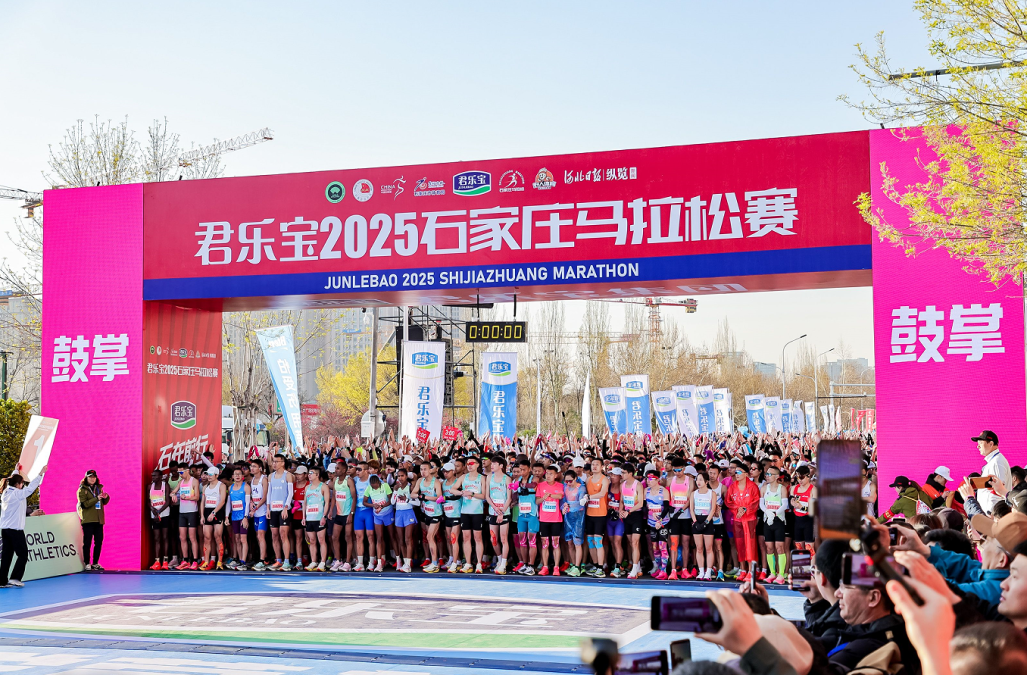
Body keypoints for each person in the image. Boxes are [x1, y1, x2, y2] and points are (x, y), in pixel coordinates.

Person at [0, 466, 47, 588]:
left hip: (5, 529)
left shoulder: (6, 492)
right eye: (22, 484)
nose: (23, 486)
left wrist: (16, 470)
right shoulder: (17, 494)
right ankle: (15, 578)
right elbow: (31, 488)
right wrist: (40, 474)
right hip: (15, 530)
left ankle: (2, 581)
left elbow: (14, 480)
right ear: (18, 484)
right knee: (23, 554)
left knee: (7, 556)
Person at [725, 462, 760, 583]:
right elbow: (728, 501)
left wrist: (745, 509)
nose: (737, 474)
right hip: (737, 519)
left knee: (750, 545)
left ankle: (751, 570)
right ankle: (743, 569)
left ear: (746, 474)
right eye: (736, 472)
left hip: (749, 520)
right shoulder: (732, 487)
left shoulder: (753, 487)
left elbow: (756, 502)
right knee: (739, 545)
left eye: (739, 472)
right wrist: (737, 509)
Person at [760, 465, 789, 584]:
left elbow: (785, 505)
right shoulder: (763, 488)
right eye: (766, 474)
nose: (767, 476)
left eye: (769, 474)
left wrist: (775, 513)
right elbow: (761, 504)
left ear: (777, 476)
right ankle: (772, 573)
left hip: (779, 520)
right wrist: (767, 512)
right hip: (768, 520)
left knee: (780, 547)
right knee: (769, 547)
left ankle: (781, 574)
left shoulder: (782, 489)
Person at [76, 469, 110, 571]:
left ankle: (95, 563)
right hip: (88, 520)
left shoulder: (99, 488)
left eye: (94, 477)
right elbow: (84, 505)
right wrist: (96, 498)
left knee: (98, 542)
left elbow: (104, 502)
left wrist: (106, 497)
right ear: (86, 478)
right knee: (87, 542)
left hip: (99, 519)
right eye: (90, 477)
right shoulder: (82, 490)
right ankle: (87, 563)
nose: (92, 479)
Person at [457, 456, 485, 573]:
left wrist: (471, 494)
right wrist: (462, 492)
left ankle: (479, 563)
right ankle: (468, 563)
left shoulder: (482, 478)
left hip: (477, 512)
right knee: (466, 538)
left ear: (477, 465)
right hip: (465, 511)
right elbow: (453, 490)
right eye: (467, 463)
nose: (469, 465)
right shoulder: (463, 477)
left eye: (472, 463)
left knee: (478, 538)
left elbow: (484, 496)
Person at [265, 454, 293, 571]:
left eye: (277, 461)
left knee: (283, 534)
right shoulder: (271, 476)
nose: (274, 464)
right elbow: (269, 493)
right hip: (273, 509)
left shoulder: (288, 475)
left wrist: (286, 507)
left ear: (283, 463)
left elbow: (290, 493)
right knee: (274, 535)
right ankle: (278, 560)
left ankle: (287, 561)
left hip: (283, 509)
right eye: (273, 461)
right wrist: (268, 508)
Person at [484, 454, 512, 575]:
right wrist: (495, 508)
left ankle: (504, 564)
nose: (492, 465)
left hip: (504, 512)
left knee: (503, 538)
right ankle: (500, 560)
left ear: (501, 466)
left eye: (495, 464)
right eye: (492, 463)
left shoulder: (507, 479)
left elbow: (509, 498)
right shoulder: (489, 477)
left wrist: (502, 512)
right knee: (493, 538)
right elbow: (487, 496)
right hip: (493, 511)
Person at [536, 464, 565, 576]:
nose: (548, 476)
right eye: (547, 474)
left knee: (555, 543)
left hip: (556, 520)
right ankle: (545, 566)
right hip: (543, 519)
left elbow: (560, 496)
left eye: (551, 474)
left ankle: (556, 567)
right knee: (545, 543)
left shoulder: (560, 485)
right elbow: (537, 501)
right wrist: (543, 498)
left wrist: (550, 495)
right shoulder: (540, 485)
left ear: (556, 475)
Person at [973, 430, 1011, 515]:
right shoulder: (995, 461)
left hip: (993, 514)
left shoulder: (997, 462)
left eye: (980, 443)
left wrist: (991, 513)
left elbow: (997, 491)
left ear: (991, 444)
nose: (978, 446)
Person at [172, 463, 201, 570]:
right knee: (182, 537)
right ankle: (185, 560)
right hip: (182, 512)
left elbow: (197, 497)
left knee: (192, 537)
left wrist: (186, 497)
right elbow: (173, 492)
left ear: (187, 471)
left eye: (181, 472)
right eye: (178, 472)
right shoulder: (181, 482)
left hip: (192, 511)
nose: (180, 474)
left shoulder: (194, 481)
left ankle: (195, 560)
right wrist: (173, 495)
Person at [690, 470, 719, 580]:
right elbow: (691, 509)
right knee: (699, 548)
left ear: (706, 482)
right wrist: (695, 522)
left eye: (701, 480)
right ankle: (701, 571)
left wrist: (706, 522)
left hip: (707, 521)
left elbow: (713, 509)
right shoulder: (694, 494)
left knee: (709, 548)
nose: (698, 482)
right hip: (697, 520)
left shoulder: (712, 493)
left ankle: (708, 571)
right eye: (697, 480)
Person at [584, 458, 609, 578]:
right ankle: (595, 564)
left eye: (597, 464)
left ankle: (600, 567)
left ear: (601, 466)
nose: (594, 466)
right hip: (590, 513)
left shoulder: (605, 479)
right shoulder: (588, 479)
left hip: (600, 514)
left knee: (598, 540)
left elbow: (602, 493)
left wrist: (589, 497)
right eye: (593, 464)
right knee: (590, 540)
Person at [329, 462, 356, 572]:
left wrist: (351, 513)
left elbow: (354, 497)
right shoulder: (335, 480)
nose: (336, 470)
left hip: (347, 513)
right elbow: (334, 497)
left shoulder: (348, 481)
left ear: (344, 470)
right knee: (334, 537)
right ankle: (338, 560)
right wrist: (331, 510)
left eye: (338, 468)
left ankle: (348, 562)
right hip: (339, 514)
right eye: (335, 468)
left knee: (348, 537)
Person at [364, 471, 393, 573]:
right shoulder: (369, 488)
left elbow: (391, 500)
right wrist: (373, 505)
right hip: (377, 516)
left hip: (388, 513)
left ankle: (397, 560)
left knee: (392, 536)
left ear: (378, 483)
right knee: (379, 538)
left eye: (375, 486)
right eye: (372, 486)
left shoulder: (385, 486)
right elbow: (364, 502)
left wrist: (382, 506)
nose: (374, 488)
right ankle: (380, 562)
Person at [302, 466, 330, 571]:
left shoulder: (324, 487)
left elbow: (327, 502)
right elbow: (304, 503)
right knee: (312, 541)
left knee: (321, 540)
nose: (309, 475)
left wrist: (324, 516)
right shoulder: (307, 488)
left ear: (317, 475)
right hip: (309, 517)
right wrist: (303, 517)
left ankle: (322, 562)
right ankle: (313, 561)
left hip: (319, 517)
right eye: (308, 473)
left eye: (311, 473)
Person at [390, 467, 417, 573]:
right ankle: (405, 563)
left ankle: (408, 564)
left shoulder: (411, 487)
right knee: (401, 540)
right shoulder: (396, 487)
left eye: (402, 476)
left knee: (408, 539)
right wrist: (395, 491)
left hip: (408, 512)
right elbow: (392, 502)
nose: (400, 478)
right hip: (398, 513)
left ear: (406, 476)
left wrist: (407, 499)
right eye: (399, 476)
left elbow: (418, 502)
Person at [200, 466, 227, 570]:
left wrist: (214, 513)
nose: (209, 476)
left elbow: (222, 501)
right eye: (208, 474)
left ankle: (219, 562)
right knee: (206, 538)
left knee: (218, 537)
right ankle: (206, 561)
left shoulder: (221, 485)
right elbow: (203, 502)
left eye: (211, 475)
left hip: (217, 511)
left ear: (216, 475)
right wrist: (202, 515)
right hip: (207, 511)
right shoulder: (205, 487)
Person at [563, 468, 587, 576]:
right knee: (569, 542)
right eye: (566, 481)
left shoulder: (581, 488)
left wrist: (569, 505)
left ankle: (577, 566)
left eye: (570, 481)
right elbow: (562, 501)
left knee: (577, 542)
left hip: (578, 516)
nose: (568, 483)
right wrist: (563, 507)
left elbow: (581, 502)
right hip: (568, 516)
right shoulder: (565, 487)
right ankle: (573, 565)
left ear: (575, 478)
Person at [226, 467, 251, 570]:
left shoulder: (246, 487)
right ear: (232, 476)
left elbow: (248, 503)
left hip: (243, 516)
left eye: (239, 474)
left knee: (243, 539)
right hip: (234, 517)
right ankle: (240, 560)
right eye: (235, 474)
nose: (237, 476)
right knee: (236, 539)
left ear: (242, 476)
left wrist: (246, 517)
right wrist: (226, 516)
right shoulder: (230, 488)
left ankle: (243, 562)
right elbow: (229, 503)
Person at [148, 469, 171, 570]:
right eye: (152, 476)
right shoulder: (150, 486)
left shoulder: (165, 485)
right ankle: (157, 561)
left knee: (165, 537)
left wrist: (159, 511)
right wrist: (152, 509)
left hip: (164, 514)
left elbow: (168, 501)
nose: (153, 477)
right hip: (154, 516)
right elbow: (148, 501)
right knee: (156, 538)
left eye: (155, 476)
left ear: (160, 477)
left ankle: (165, 561)